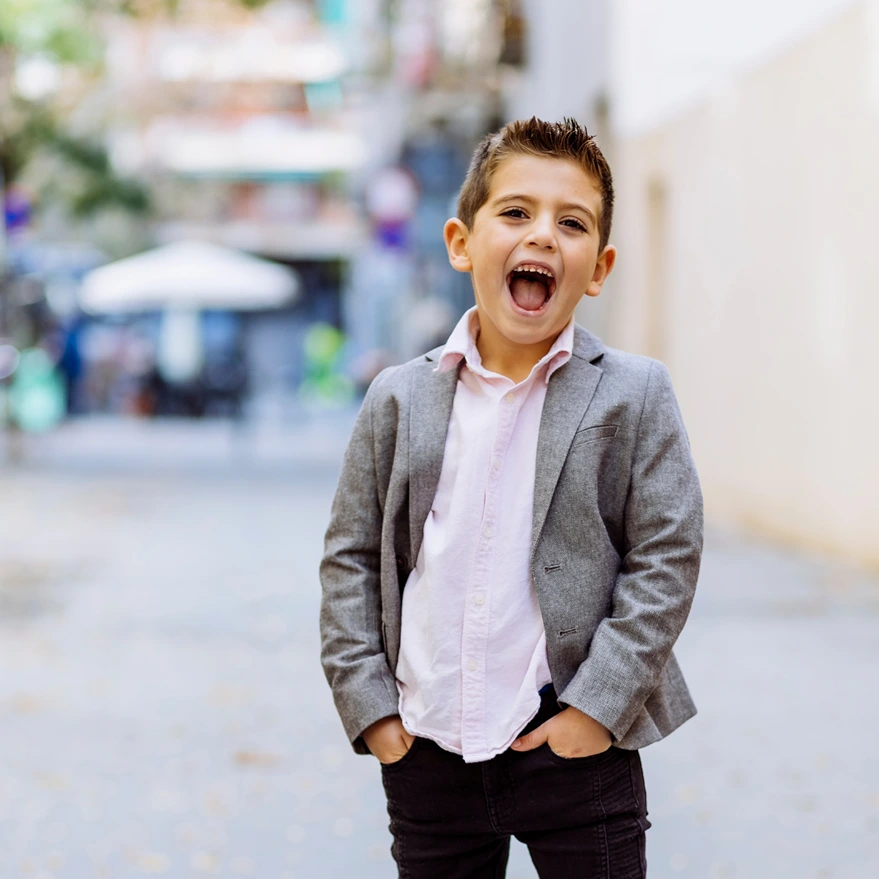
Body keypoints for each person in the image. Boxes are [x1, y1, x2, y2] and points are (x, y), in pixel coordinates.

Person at [320, 117, 703, 878]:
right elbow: (351, 557)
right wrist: (372, 708)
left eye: (571, 223)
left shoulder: (633, 394)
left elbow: (666, 555)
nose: (541, 236)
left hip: (573, 743)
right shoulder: (398, 399)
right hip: (426, 748)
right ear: (462, 242)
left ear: (598, 266)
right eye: (515, 212)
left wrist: (596, 708)